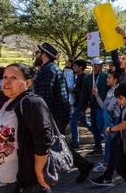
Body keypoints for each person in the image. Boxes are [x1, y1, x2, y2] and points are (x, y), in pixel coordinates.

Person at [0, 63, 69, 193]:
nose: (7, 81)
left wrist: (39, 171)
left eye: (14, 78)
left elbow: (43, 139)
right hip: (19, 176)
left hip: (27, 176)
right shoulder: (8, 98)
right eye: (5, 77)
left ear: (28, 83)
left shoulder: (31, 102)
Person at [33, 43, 93, 183]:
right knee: (57, 143)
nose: (36, 54)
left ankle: (46, 173)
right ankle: (83, 165)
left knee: (52, 143)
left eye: (38, 52)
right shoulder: (50, 69)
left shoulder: (49, 70)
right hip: (58, 114)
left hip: (55, 115)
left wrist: (39, 115)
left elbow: (45, 96)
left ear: (44, 55)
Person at [90, 69, 121, 176]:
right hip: (112, 118)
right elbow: (104, 106)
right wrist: (97, 95)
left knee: (109, 142)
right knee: (110, 142)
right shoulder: (110, 91)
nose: (107, 79)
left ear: (115, 79)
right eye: (107, 77)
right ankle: (108, 162)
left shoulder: (117, 91)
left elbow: (108, 108)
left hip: (115, 119)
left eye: (109, 77)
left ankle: (106, 163)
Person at [80, 58, 108, 156]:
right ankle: (98, 148)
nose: (100, 66)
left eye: (101, 64)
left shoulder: (105, 76)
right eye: (97, 64)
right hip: (93, 107)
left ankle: (108, 151)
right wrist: (82, 108)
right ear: (93, 66)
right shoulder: (87, 78)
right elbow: (84, 94)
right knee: (95, 129)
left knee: (103, 128)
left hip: (103, 107)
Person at [69, 59, 87, 148]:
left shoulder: (84, 77)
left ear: (80, 67)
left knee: (73, 123)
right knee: (85, 122)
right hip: (78, 103)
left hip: (80, 104)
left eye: (75, 66)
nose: (73, 67)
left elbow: (83, 92)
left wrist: (72, 90)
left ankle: (75, 142)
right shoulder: (78, 77)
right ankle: (100, 136)